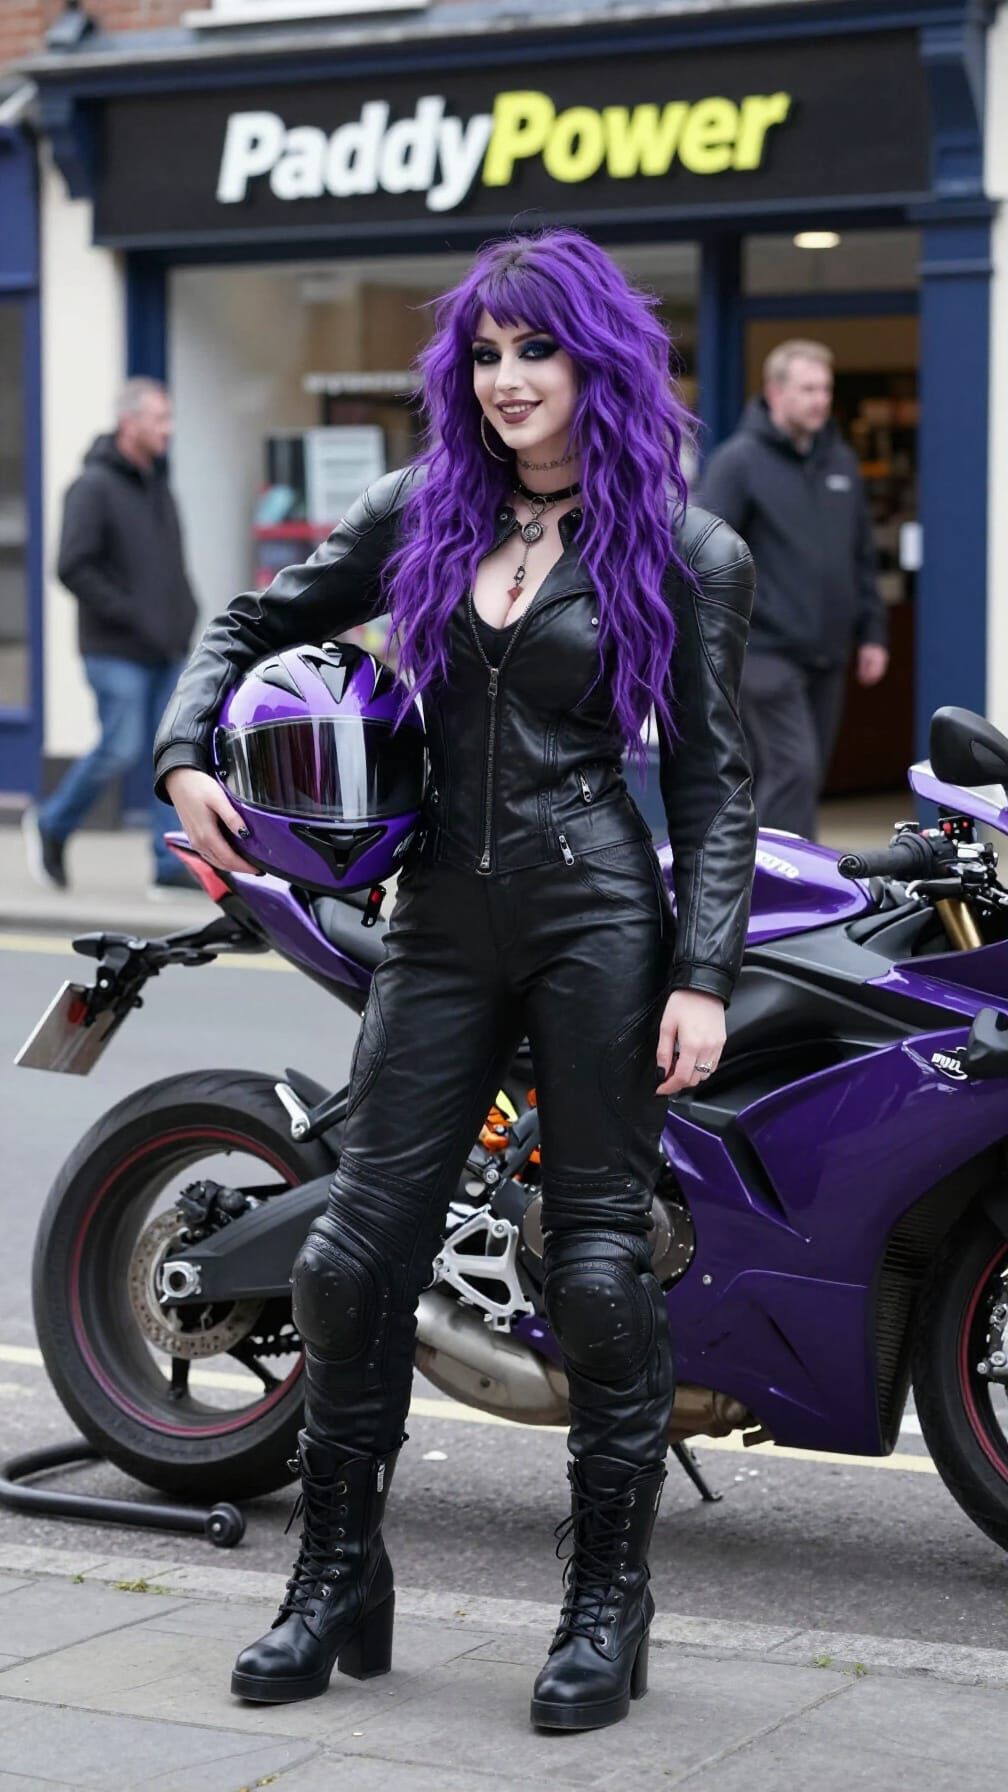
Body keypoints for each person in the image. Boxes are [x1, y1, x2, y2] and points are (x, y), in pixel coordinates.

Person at [153, 228, 757, 1733]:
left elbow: (717, 783)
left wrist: (704, 974)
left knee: (601, 1271)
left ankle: (607, 1608)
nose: (504, 381)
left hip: (596, 914)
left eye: (534, 351)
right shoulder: (418, 508)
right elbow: (245, 623)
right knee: (350, 1262)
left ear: (595, 360)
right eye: (483, 356)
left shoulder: (684, 549)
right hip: (438, 918)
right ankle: (338, 1578)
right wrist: (182, 754)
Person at [695, 339, 889, 840]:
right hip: (761, 651)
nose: (821, 400)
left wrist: (874, 633)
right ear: (775, 392)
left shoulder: (841, 462)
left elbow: (861, 555)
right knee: (793, 770)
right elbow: (704, 557)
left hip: (827, 653)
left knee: (800, 773)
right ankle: (796, 898)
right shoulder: (739, 462)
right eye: (808, 389)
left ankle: (750, 885)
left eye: (825, 389)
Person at [23, 378, 199, 896]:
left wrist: (184, 613)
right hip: (114, 650)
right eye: (159, 420)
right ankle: (52, 824)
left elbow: (170, 565)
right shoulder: (93, 486)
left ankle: (167, 866)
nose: (168, 430)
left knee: (168, 755)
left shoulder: (156, 484)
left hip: (165, 648)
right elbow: (72, 566)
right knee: (121, 747)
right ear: (130, 424)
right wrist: (133, 614)